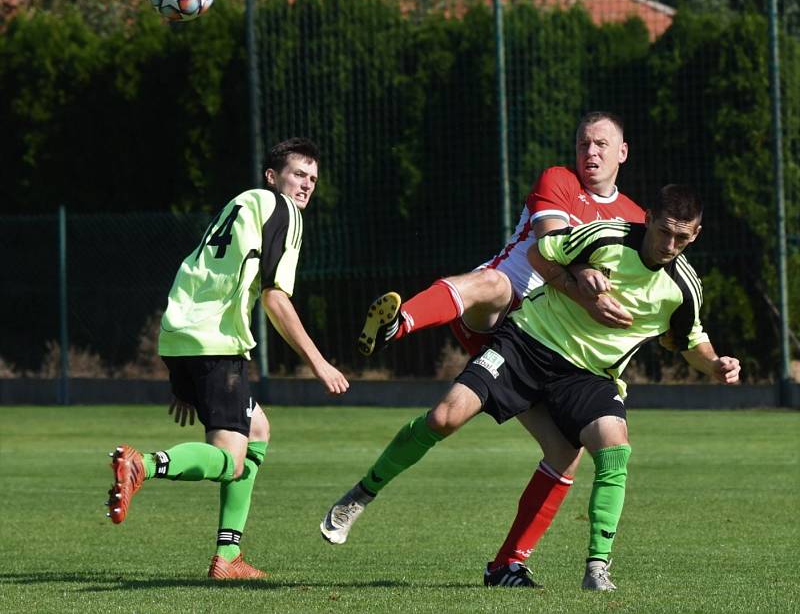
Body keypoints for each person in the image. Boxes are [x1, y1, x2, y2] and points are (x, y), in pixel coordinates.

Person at [321, 183, 740, 591]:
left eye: (681, 238)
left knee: (609, 447)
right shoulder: (608, 235)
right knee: (445, 417)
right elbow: (541, 255)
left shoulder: (684, 287)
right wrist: (582, 284)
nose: (669, 244)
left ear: (695, 234)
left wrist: (716, 365)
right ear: (647, 219)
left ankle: (591, 568)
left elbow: (687, 341)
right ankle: (362, 493)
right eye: (663, 231)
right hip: (528, 342)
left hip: (588, 377)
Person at [343, 112, 645, 586]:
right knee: (492, 283)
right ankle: (398, 326)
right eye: (585, 143)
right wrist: (588, 289)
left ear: (622, 152)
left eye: (603, 145)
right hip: (504, 320)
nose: (592, 153)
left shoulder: (636, 220)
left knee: (564, 453)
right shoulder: (560, 181)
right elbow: (546, 249)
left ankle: (506, 566)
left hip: (554, 347)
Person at [105, 137, 349, 579]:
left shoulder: (237, 205)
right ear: (273, 177)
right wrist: (319, 362)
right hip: (216, 343)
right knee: (230, 460)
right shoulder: (283, 210)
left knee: (257, 429)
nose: (307, 185)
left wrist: (184, 380)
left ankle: (228, 557)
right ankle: (144, 464)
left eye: (313, 179)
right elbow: (276, 298)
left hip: (180, 334)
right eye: (298, 174)